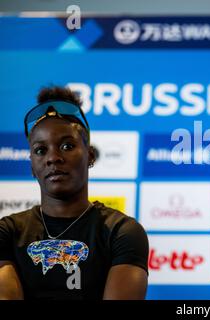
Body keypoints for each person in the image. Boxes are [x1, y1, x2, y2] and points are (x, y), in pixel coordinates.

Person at [0, 86, 149, 300]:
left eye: (67, 146)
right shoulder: (7, 232)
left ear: (90, 156)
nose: (53, 158)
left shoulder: (121, 232)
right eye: (41, 150)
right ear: (32, 166)